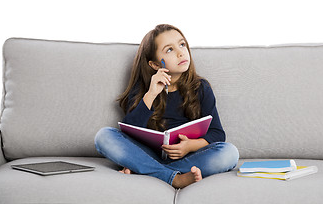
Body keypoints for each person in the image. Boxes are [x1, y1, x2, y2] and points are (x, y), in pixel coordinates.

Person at [94, 24, 239, 188]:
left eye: (182, 44)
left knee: (230, 153)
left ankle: (146, 171)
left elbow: (217, 133)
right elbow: (129, 133)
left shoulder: (201, 88)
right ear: (155, 65)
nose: (180, 52)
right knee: (103, 136)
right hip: (148, 155)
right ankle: (174, 178)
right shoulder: (143, 90)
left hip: (187, 157)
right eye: (169, 50)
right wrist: (151, 94)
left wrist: (189, 146)